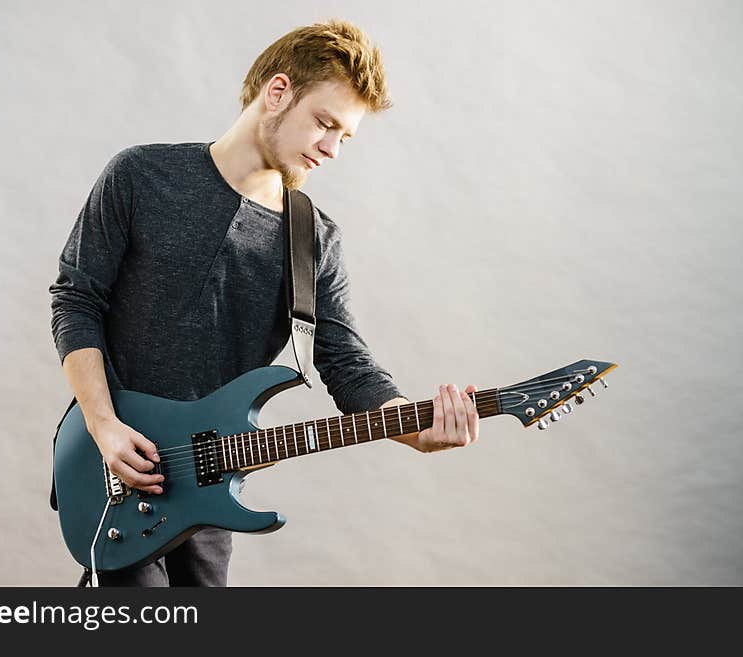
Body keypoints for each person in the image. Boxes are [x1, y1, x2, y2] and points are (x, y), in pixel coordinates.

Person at [49, 18, 479, 587]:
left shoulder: (314, 240)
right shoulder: (141, 175)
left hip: (209, 494)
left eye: (344, 137)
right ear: (278, 93)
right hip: (114, 468)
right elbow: (76, 300)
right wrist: (104, 426)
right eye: (325, 124)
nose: (331, 148)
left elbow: (348, 368)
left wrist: (418, 427)